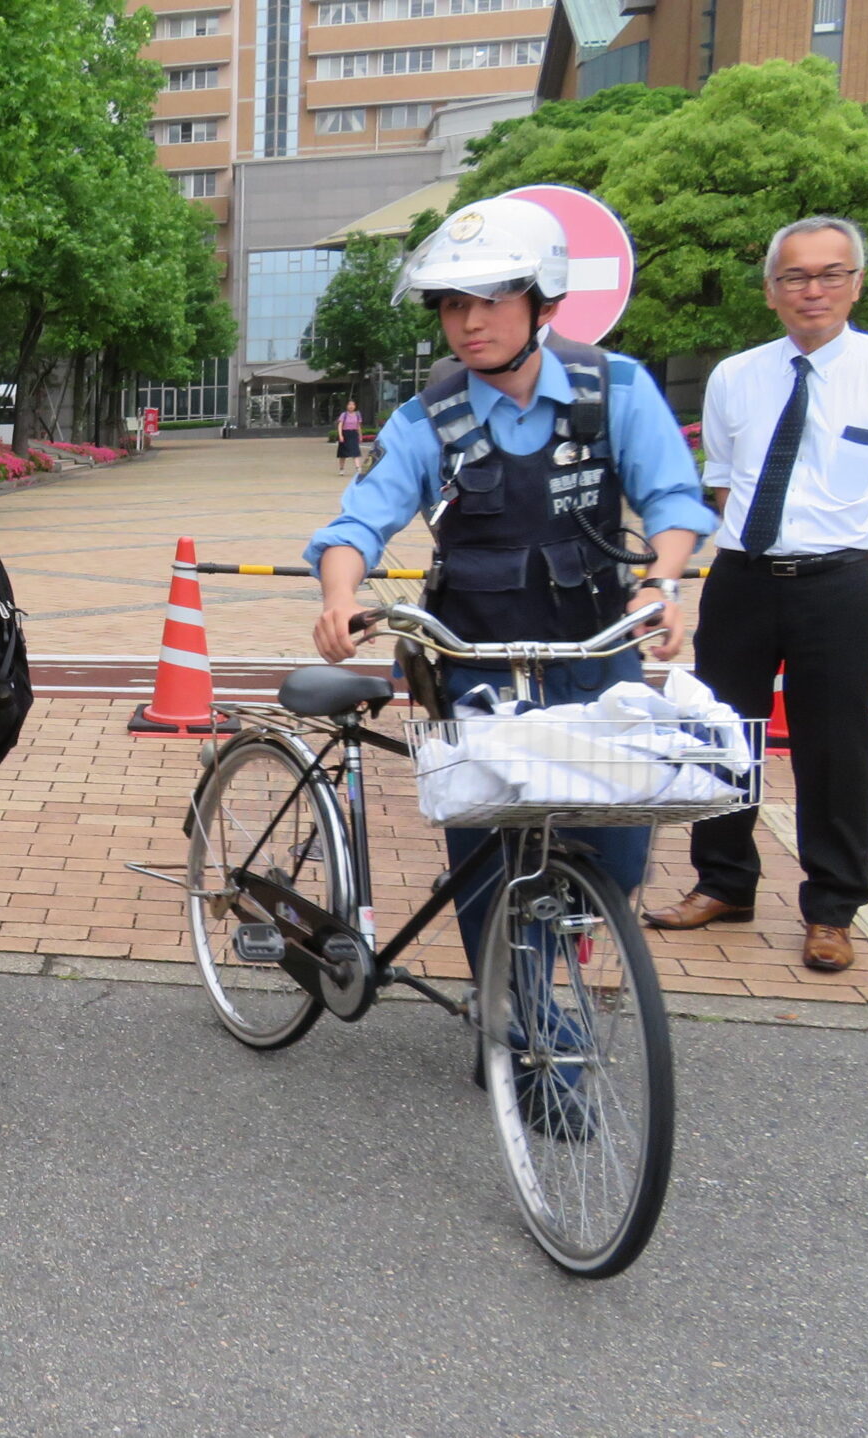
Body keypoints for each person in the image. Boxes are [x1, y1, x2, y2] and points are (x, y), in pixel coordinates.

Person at [304, 198, 716, 1118]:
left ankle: (526, 986)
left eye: (491, 300)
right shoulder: (430, 417)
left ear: (543, 302)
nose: (470, 322)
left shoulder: (614, 390)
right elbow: (356, 523)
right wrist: (339, 594)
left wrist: (664, 582)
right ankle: (526, 1034)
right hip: (476, 667)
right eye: (454, 305)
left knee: (613, 855)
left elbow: (675, 500)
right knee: (492, 869)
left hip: (596, 661)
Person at [642, 217, 868, 974]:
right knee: (723, 733)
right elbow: (722, 480)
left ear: (857, 283)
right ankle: (723, 883)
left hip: (839, 581)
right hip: (742, 578)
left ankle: (833, 909)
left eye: (830, 273)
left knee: (834, 748)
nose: (814, 289)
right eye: (796, 276)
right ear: (771, 290)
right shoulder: (735, 375)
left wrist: (861, 575)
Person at [334, 398, 365, 476]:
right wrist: (340, 435)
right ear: (346, 406)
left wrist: (360, 436)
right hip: (345, 434)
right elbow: (340, 425)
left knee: (356, 452)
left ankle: (358, 468)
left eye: (353, 404)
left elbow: (358, 426)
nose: (351, 406)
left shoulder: (357, 414)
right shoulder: (344, 415)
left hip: (354, 434)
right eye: (349, 404)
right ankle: (341, 469)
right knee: (343, 454)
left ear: (355, 406)